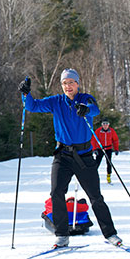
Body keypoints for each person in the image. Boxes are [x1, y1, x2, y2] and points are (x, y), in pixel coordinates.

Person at [18, 69, 121, 248]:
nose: (68, 86)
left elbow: (94, 110)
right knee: (56, 193)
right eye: (65, 83)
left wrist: (86, 110)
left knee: (95, 196)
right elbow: (32, 106)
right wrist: (26, 94)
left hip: (84, 157)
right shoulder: (56, 101)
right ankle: (62, 235)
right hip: (63, 156)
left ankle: (110, 234)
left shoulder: (85, 98)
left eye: (71, 82)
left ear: (77, 84)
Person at [91, 119, 119, 184]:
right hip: (100, 149)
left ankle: (109, 177)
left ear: (108, 124)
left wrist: (116, 149)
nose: (105, 125)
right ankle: (93, 177)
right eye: (104, 124)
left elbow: (115, 140)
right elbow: (93, 140)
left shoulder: (111, 131)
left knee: (109, 163)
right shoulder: (98, 131)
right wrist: (94, 149)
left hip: (108, 148)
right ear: (102, 125)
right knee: (97, 163)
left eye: (106, 124)